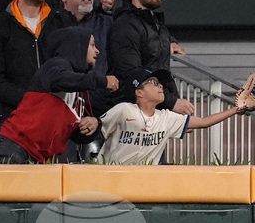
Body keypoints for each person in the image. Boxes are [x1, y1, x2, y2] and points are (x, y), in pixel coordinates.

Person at [0, 27, 116, 163]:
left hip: (37, 157)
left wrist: (94, 124)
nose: (97, 51)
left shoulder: (78, 90)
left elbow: (75, 135)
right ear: (78, 46)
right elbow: (60, 80)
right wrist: (102, 81)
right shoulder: (54, 66)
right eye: (92, 45)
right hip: (15, 146)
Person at [98, 67, 238, 165]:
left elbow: (203, 122)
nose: (160, 86)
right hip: (110, 176)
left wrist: (236, 109)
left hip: (143, 181)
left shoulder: (166, 117)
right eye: (153, 83)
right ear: (139, 92)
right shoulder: (123, 110)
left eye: (160, 84)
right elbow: (98, 128)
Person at [108, 0, 193, 115]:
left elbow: (158, 60)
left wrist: (170, 41)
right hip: (134, 114)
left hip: (155, 110)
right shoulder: (125, 25)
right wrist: (172, 102)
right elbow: (132, 74)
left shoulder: (153, 20)